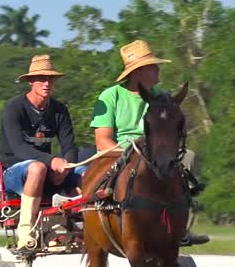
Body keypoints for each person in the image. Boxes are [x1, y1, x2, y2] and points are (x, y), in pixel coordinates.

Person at [90, 39, 210, 246]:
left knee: (188, 156)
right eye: (152, 67)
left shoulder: (162, 98)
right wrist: (130, 154)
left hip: (154, 151)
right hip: (122, 152)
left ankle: (180, 224)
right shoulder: (111, 96)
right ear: (137, 72)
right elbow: (102, 141)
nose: (158, 70)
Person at [0, 54, 81, 250]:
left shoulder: (59, 110)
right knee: (37, 168)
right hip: (16, 173)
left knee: (88, 173)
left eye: (51, 79)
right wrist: (52, 161)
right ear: (30, 81)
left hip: (48, 172)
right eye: (42, 78)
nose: (47, 83)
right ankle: (26, 231)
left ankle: (82, 229)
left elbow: (70, 146)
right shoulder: (13, 108)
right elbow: (19, 148)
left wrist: (66, 167)